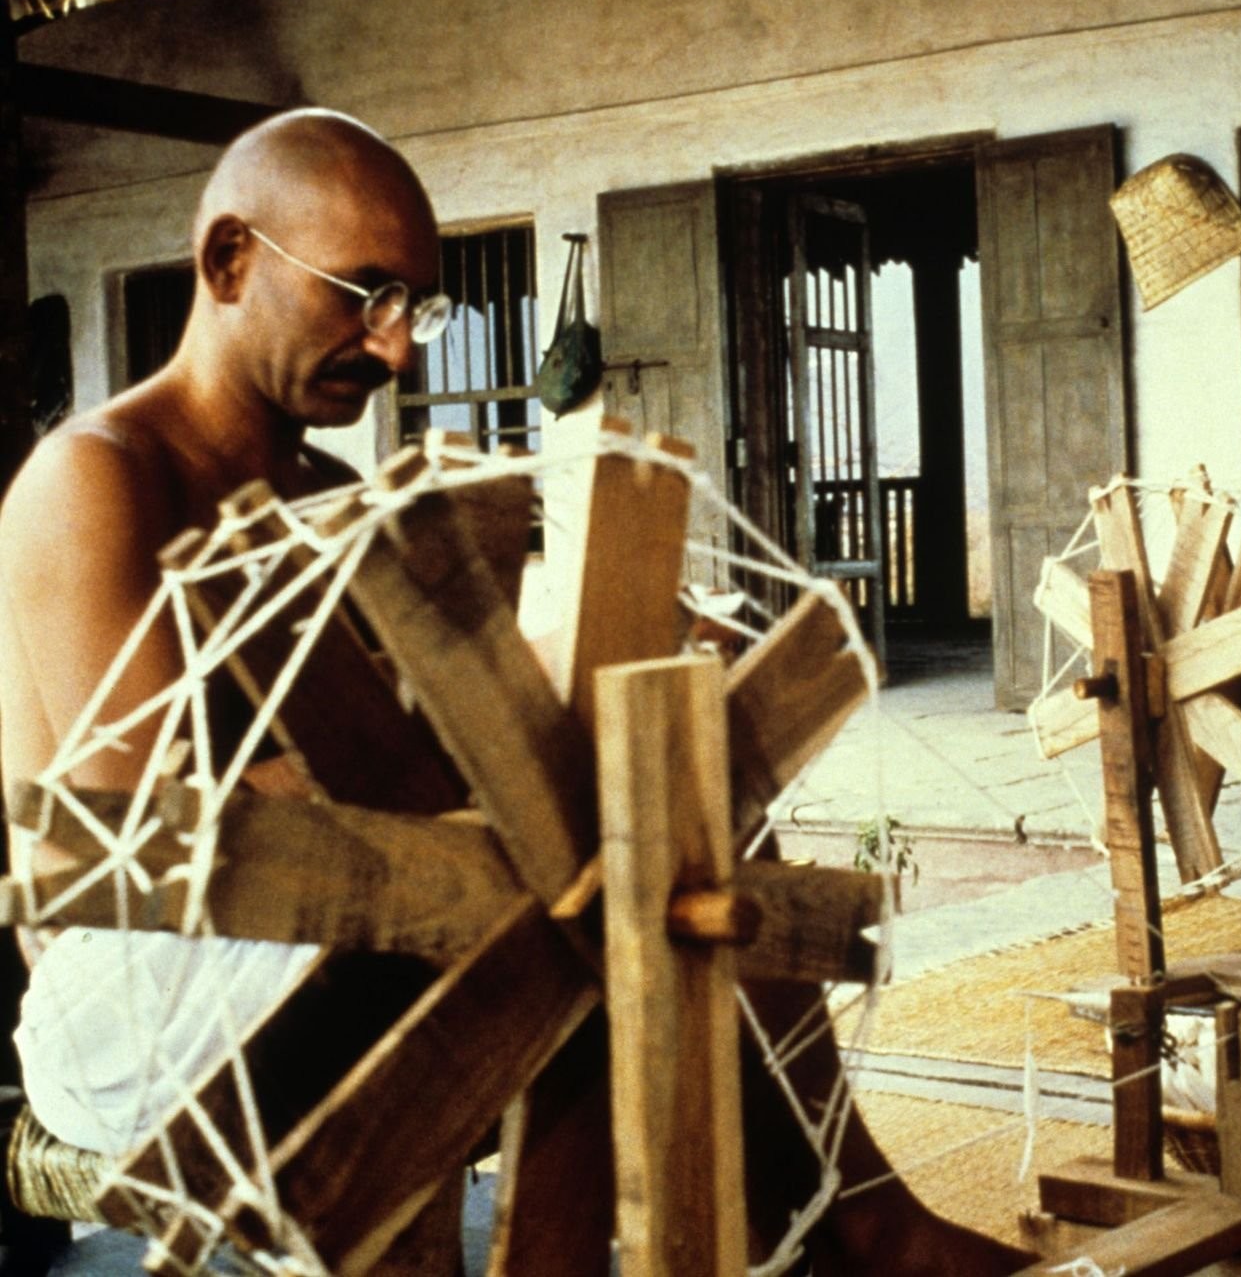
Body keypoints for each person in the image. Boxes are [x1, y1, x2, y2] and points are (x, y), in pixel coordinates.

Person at [0, 109, 1024, 1275]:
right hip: (142, 994)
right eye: (360, 293)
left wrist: (601, 680)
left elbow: (384, 752)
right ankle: (846, 1226)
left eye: (414, 309)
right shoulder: (97, 476)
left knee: (681, 777)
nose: (395, 349)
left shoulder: (326, 485)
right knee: (601, 846)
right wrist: (520, 713)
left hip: (334, 907)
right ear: (230, 260)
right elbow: (157, 831)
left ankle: (857, 1213)